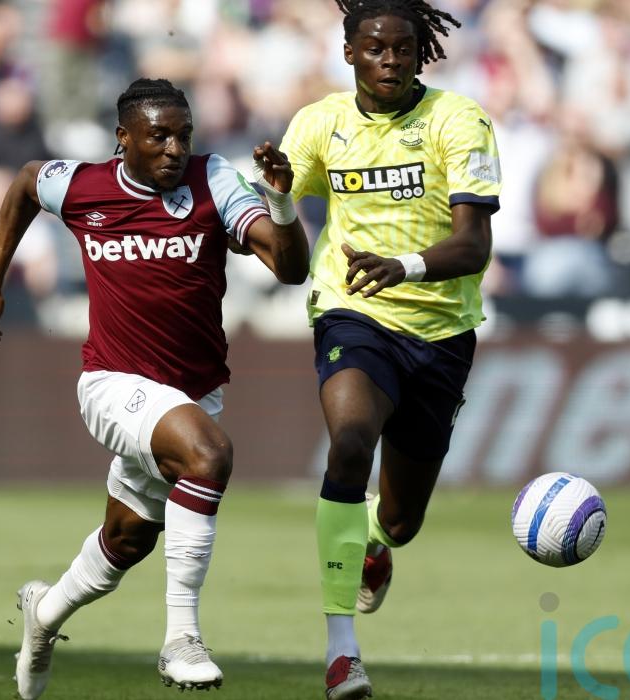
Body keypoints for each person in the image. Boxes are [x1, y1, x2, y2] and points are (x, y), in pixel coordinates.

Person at [0, 78, 309, 699]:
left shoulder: (214, 180)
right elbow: (24, 183)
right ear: (123, 139)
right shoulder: (83, 185)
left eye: (183, 135)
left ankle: (43, 614)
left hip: (191, 394)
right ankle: (182, 638)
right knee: (209, 455)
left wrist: (281, 203)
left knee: (125, 543)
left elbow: (290, 270)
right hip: (111, 383)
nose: (175, 149)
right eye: (159, 137)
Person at [277, 2, 500, 697]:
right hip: (354, 313)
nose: (391, 61)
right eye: (376, 48)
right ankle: (341, 650)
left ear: (419, 53)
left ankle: (374, 539)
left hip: (441, 330)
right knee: (349, 444)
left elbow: (474, 246)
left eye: (404, 49)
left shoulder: (458, 120)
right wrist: (279, 200)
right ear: (349, 52)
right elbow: (278, 234)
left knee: (402, 521)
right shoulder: (319, 124)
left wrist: (402, 266)